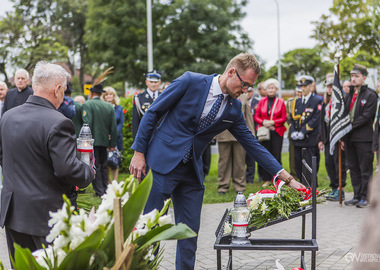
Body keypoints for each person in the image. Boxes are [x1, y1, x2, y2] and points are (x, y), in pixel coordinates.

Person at [129, 53, 304, 269]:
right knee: (150, 229)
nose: (246, 90)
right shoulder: (189, 81)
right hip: (160, 164)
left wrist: (286, 178)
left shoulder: (233, 109)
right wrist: (139, 152)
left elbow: (252, 144)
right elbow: (153, 113)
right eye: (245, 84)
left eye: (250, 87)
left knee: (189, 233)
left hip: (191, 173)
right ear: (231, 72)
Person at [0, 61, 95, 260]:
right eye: (65, 89)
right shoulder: (59, 122)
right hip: (48, 217)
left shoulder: (7, 117)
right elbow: (66, 169)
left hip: (14, 212)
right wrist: (89, 171)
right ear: (58, 88)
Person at [343, 64, 377, 208]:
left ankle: (365, 196)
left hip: (364, 138)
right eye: (352, 76)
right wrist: (343, 135)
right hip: (350, 138)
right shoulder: (349, 94)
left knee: (365, 169)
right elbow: (344, 114)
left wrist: (349, 126)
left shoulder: (370, 95)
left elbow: (366, 116)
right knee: (354, 168)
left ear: (364, 77)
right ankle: (356, 195)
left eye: (356, 76)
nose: (353, 79)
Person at [82, 83, 117, 197]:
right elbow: (113, 127)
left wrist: (86, 142)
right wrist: (112, 143)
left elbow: (87, 123)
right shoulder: (108, 106)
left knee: (95, 165)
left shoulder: (88, 104)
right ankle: (105, 188)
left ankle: (100, 190)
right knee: (103, 164)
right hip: (104, 141)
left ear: (91, 93)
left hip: (92, 141)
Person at [216, 93, 254, 194]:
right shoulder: (220, 95)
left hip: (240, 134)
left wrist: (251, 133)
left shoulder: (243, 96)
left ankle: (240, 186)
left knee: (240, 161)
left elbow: (248, 116)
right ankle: (223, 186)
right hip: (223, 132)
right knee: (224, 162)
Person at [289, 75, 322, 185]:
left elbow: (316, 118)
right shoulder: (297, 102)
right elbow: (292, 119)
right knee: (298, 166)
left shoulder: (317, 100)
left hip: (309, 138)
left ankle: (311, 189)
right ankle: (303, 187)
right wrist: (293, 131)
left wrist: (303, 132)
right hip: (297, 139)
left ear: (311, 86)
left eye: (305, 86)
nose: (303, 89)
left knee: (309, 166)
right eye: (301, 86)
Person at [318, 76, 347, 201]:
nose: (329, 89)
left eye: (332, 86)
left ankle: (341, 189)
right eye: (328, 87)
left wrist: (343, 138)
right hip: (327, 137)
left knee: (338, 163)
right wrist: (320, 139)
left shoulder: (341, 101)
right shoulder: (325, 102)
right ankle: (334, 188)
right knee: (329, 163)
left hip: (338, 137)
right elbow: (322, 122)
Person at [254, 78, 287, 187]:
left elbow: (283, 118)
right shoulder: (261, 101)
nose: (271, 89)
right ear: (266, 89)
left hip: (277, 132)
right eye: (269, 88)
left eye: (273, 88)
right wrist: (264, 122)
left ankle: (278, 179)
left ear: (276, 89)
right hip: (264, 132)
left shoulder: (281, 102)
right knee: (265, 156)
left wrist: (273, 122)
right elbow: (256, 116)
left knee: (276, 156)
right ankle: (266, 179)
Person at [101, 86, 124, 181]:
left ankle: (115, 181)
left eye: (111, 94)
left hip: (116, 138)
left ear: (114, 96)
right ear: (104, 96)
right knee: (106, 161)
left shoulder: (119, 108)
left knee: (115, 160)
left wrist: (113, 135)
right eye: (106, 95)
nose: (109, 96)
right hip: (104, 137)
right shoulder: (102, 107)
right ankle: (108, 182)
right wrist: (107, 135)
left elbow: (121, 123)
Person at [132, 70, 161, 139]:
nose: (153, 84)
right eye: (151, 82)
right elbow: (136, 122)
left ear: (160, 82)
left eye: (156, 82)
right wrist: (136, 141)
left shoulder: (165, 96)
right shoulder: (138, 98)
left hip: (162, 137)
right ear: (146, 82)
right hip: (146, 137)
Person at [286, 85, 302, 179]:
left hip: (305, 131)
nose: (299, 93)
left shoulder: (308, 101)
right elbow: (288, 116)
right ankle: (294, 174)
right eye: (298, 91)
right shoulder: (290, 102)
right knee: (292, 155)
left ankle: (304, 174)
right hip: (293, 130)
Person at [245, 86, 259, 183]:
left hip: (254, 130)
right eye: (246, 91)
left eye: (249, 91)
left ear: (252, 92)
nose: (247, 93)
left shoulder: (257, 102)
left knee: (251, 156)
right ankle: (243, 177)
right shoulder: (239, 100)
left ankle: (250, 177)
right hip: (242, 130)